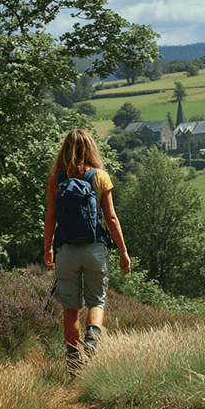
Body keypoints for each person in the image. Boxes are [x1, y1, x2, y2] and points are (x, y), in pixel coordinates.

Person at [44, 129, 130, 377]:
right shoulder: (100, 177)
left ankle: (73, 367)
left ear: (64, 149)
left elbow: (50, 219)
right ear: (90, 149)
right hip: (95, 249)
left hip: (66, 251)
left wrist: (48, 248)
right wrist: (123, 251)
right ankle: (91, 342)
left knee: (71, 310)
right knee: (96, 301)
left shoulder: (55, 180)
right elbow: (111, 218)